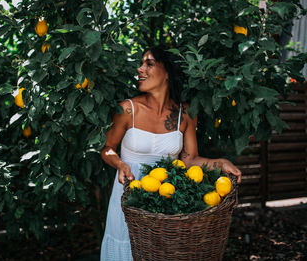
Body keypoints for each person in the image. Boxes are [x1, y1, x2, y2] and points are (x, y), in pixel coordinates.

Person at [99, 44, 242, 261]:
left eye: (149, 64)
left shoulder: (184, 115)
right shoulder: (128, 109)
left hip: (165, 198)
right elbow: (107, 149)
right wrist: (119, 164)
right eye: (140, 63)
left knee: (159, 252)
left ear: (167, 72)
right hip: (128, 194)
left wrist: (221, 163)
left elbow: (190, 159)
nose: (140, 69)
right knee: (125, 249)